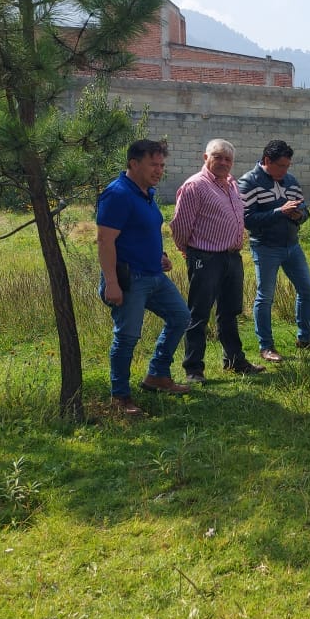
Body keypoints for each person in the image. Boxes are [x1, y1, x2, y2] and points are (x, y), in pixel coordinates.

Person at [96, 139, 191, 415]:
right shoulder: (118, 194)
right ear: (134, 163)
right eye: (153, 164)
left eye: (162, 165)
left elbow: (142, 230)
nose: (159, 170)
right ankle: (120, 396)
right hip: (130, 279)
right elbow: (105, 241)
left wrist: (159, 255)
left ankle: (157, 375)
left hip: (153, 275)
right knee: (127, 336)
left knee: (181, 317)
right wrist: (111, 283)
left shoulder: (146, 192)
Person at [170, 138, 266, 382]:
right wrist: (190, 252)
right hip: (206, 257)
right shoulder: (195, 186)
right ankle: (193, 369)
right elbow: (180, 226)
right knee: (199, 313)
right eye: (218, 157)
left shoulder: (231, 184)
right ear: (206, 158)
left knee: (229, 312)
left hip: (231, 258)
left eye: (228, 159)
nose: (223, 162)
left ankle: (234, 361)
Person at [237, 139, 310, 362]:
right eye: (281, 166)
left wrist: (299, 215)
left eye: (287, 166)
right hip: (265, 247)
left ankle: (306, 338)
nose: (285, 171)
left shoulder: (290, 180)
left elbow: (304, 210)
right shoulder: (248, 182)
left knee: (307, 288)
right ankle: (266, 347)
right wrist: (280, 212)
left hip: (292, 245)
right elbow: (247, 220)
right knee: (266, 296)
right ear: (267, 161)